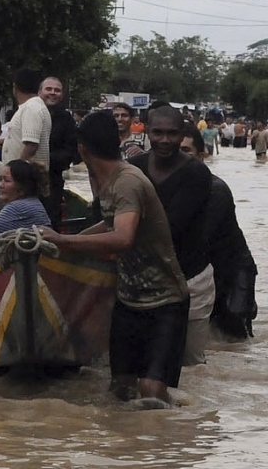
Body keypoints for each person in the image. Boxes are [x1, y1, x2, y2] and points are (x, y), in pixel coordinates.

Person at [40, 112, 189, 406]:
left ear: (83, 149)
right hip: (128, 300)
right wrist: (63, 243)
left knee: (150, 391)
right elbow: (110, 224)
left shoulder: (127, 182)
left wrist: (64, 240)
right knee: (120, 388)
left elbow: (122, 237)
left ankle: (170, 433)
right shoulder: (109, 180)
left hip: (165, 301)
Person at [129, 106, 214, 366]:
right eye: (158, 132)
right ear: (146, 131)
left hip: (190, 280)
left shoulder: (197, 173)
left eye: (172, 134)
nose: (165, 140)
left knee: (190, 367)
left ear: (181, 135)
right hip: (142, 279)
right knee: (140, 364)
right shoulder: (134, 168)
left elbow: (170, 225)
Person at [179, 125, 257, 339]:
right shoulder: (172, 188)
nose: (179, 158)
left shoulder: (216, 190)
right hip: (204, 271)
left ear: (201, 156)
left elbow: (198, 240)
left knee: (233, 339)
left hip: (231, 271)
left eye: (186, 151)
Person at [0, 160, 51, 246]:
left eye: (6, 181)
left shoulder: (17, 208)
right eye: (1, 179)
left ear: (22, 187)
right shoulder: (33, 203)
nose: (0, 185)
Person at [39, 77, 79, 229]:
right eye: (48, 89)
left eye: (57, 90)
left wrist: (42, 161)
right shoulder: (29, 114)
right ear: (39, 92)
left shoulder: (66, 119)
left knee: (50, 222)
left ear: (62, 95)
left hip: (52, 182)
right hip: (24, 180)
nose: (52, 93)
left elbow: (70, 151)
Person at [2, 68, 50, 165]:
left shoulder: (31, 108)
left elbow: (31, 145)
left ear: (15, 87)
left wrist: (16, 170)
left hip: (24, 176)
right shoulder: (33, 107)